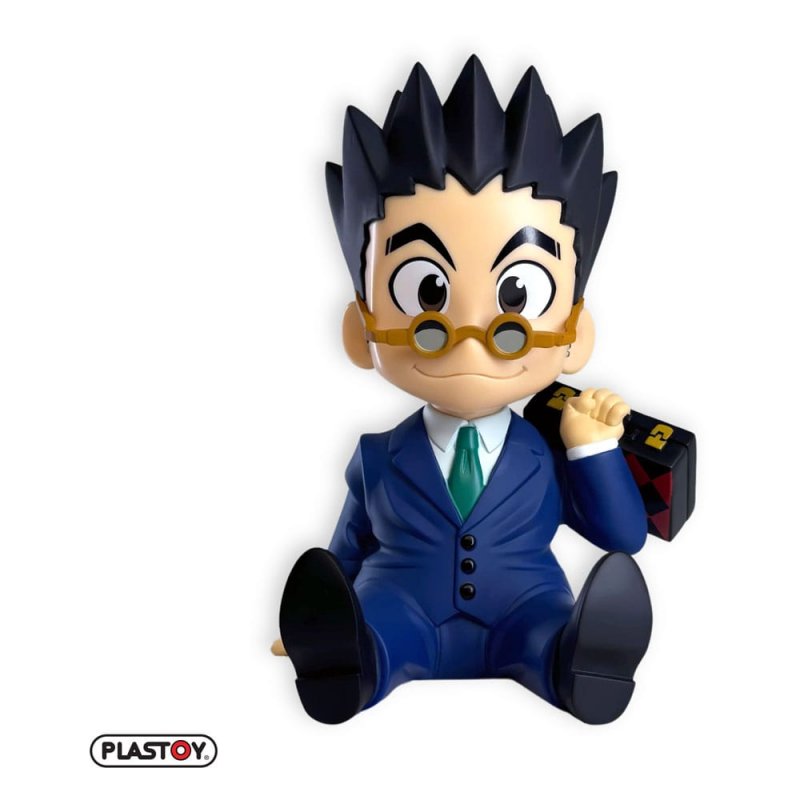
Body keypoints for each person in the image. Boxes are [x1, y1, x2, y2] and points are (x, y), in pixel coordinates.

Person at [274, 56, 652, 725]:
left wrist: (592, 450)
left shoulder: (550, 453)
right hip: (398, 604)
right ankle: (352, 661)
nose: (469, 339)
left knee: (546, 636)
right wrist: (319, 614)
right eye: (426, 293)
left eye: (518, 296)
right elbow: (349, 543)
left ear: (575, 335)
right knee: (381, 635)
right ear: (361, 330)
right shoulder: (377, 456)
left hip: (526, 607)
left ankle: (577, 664)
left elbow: (622, 535)